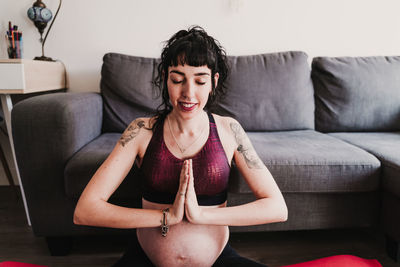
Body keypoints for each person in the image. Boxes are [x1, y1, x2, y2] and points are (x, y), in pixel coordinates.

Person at [73, 26, 288, 267]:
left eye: (199, 81)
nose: (188, 92)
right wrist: (166, 216)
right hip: (146, 259)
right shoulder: (141, 130)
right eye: (178, 79)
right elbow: (85, 210)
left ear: (213, 82)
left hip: (217, 261)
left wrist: (200, 215)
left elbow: (277, 208)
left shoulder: (229, 130)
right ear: (166, 78)